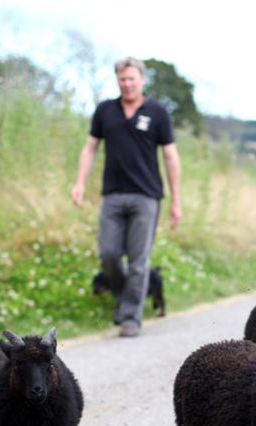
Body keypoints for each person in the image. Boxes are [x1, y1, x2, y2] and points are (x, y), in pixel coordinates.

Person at [71, 56, 182, 338]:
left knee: (138, 260)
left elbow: (170, 156)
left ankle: (131, 316)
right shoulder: (105, 111)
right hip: (112, 195)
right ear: (117, 80)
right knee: (108, 254)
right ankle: (124, 296)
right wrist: (79, 183)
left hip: (146, 197)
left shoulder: (157, 112)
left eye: (132, 79)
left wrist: (176, 201)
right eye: (122, 79)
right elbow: (90, 148)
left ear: (142, 80)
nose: (127, 84)